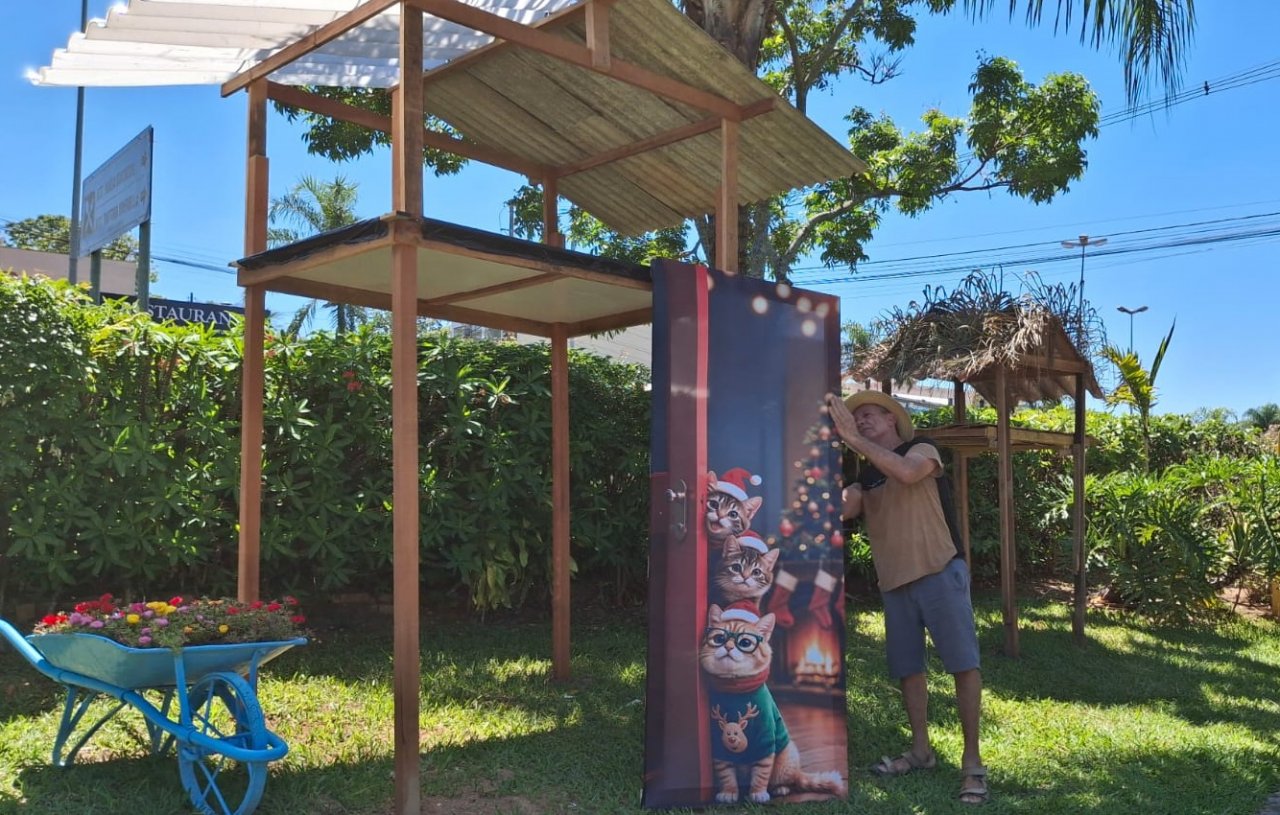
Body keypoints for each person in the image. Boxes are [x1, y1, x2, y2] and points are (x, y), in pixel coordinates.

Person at [824, 389, 988, 806]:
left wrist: (852, 439)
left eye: (869, 416)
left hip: (940, 572)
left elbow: (909, 473)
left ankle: (973, 764)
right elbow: (843, 507)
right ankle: (920, 751)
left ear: (892, 419)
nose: (860, 422)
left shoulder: (922, 449)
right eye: (855, 418)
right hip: (895, 585)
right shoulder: (865, 478)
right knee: (908, 671)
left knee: (962, 665)